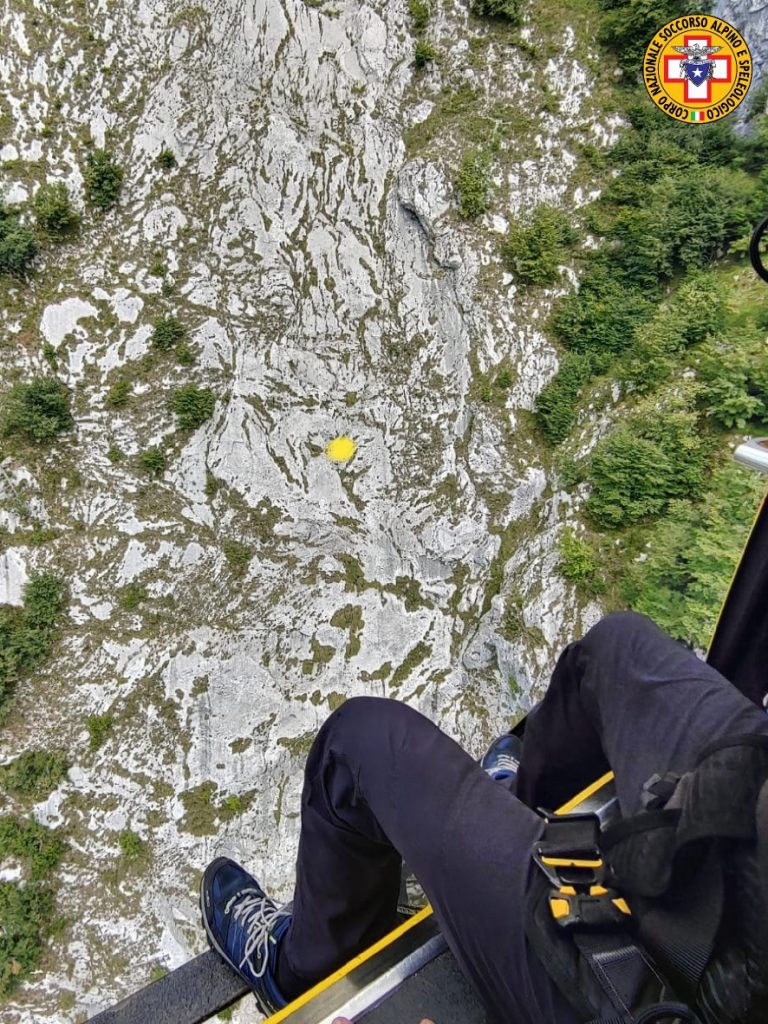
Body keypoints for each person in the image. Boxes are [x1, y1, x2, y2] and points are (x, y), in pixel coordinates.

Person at [200, 611, 768, 1023]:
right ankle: (516, 812)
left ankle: (300, 970)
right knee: (613, 650)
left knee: (360, 742)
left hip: (663, 995)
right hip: (744, 802)